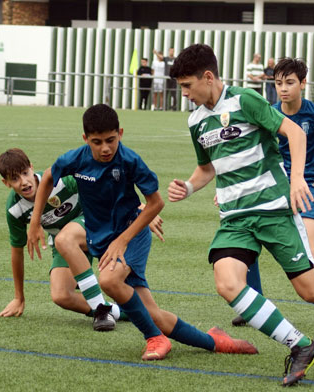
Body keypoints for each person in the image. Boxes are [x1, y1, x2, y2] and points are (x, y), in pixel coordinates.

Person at [168, 44, 314, 387]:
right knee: (227, 284)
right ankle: (301, 346)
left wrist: (297, 179)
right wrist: (189, 188)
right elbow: (206, 168)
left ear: (207, 77)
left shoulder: (246, 100)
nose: (185, 94)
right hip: (235, 219)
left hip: (274, 210)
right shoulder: (196, 121)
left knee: (310, 291)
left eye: (187, 86)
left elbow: (295, 133)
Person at [27, 104, 258, 362]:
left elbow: (156, 203)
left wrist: (122, 241)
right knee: (152, 313)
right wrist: (35, 222)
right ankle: (215, 341)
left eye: (110, 140)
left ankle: (154, 338)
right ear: (85, 139)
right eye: (97, 142)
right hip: (103, 240)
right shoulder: (75, 159)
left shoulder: (130, 161)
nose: (105, 148)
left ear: (120, 133)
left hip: (132, 236)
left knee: (109, 281)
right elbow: (47, 177)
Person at [234, 58, 314, 337]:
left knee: (311, 252)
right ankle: (254, 305)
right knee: (249, 233)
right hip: (279, 187)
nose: (283, 89)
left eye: (290, 82)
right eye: (278, 83)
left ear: (303, 83)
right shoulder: (269, 114)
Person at [0, 148, 136, 331]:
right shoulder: (14, 209)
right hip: (64, 244)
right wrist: (19, 297)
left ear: (31, 167)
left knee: (64, 237)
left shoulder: (59, 181)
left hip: (95, 225)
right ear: (5, 183)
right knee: (61, 295)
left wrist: (137, 208)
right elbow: (17, 253)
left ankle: (101, 310)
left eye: (25, 173)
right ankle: (122, 311)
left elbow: (103, 189)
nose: (24, 182)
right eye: (15, 179)